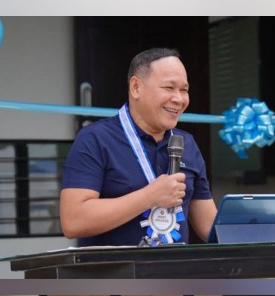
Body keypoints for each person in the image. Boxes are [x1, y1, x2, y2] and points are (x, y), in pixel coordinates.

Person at [60, 47, 216, 247]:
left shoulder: (187, 143)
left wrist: (257, 222)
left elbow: (209, 228)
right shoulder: (95, 139)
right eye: (169, 88)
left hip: (173, 273)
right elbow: (73, 221)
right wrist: (149, 196)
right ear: (136, 88)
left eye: (184, 90)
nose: (179, 99)